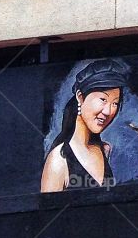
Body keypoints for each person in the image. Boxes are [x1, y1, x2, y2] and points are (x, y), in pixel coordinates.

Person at [41, 59, 129, 191]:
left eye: (115, 103)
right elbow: (47, 210)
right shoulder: (58, 160)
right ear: (80, 97)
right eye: (103, 100)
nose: (108, 111)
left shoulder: (105, 150)